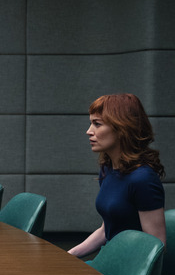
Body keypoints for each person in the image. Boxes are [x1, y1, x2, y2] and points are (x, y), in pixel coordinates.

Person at [68, 93, 166, 257]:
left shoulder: (143, 179)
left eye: (97, 124)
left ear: (122, 128)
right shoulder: (108, 170)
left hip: (127, 274)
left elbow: (156, 247)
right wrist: (68, 255)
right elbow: (106, 229)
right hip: (109, 260)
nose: (88, 131)